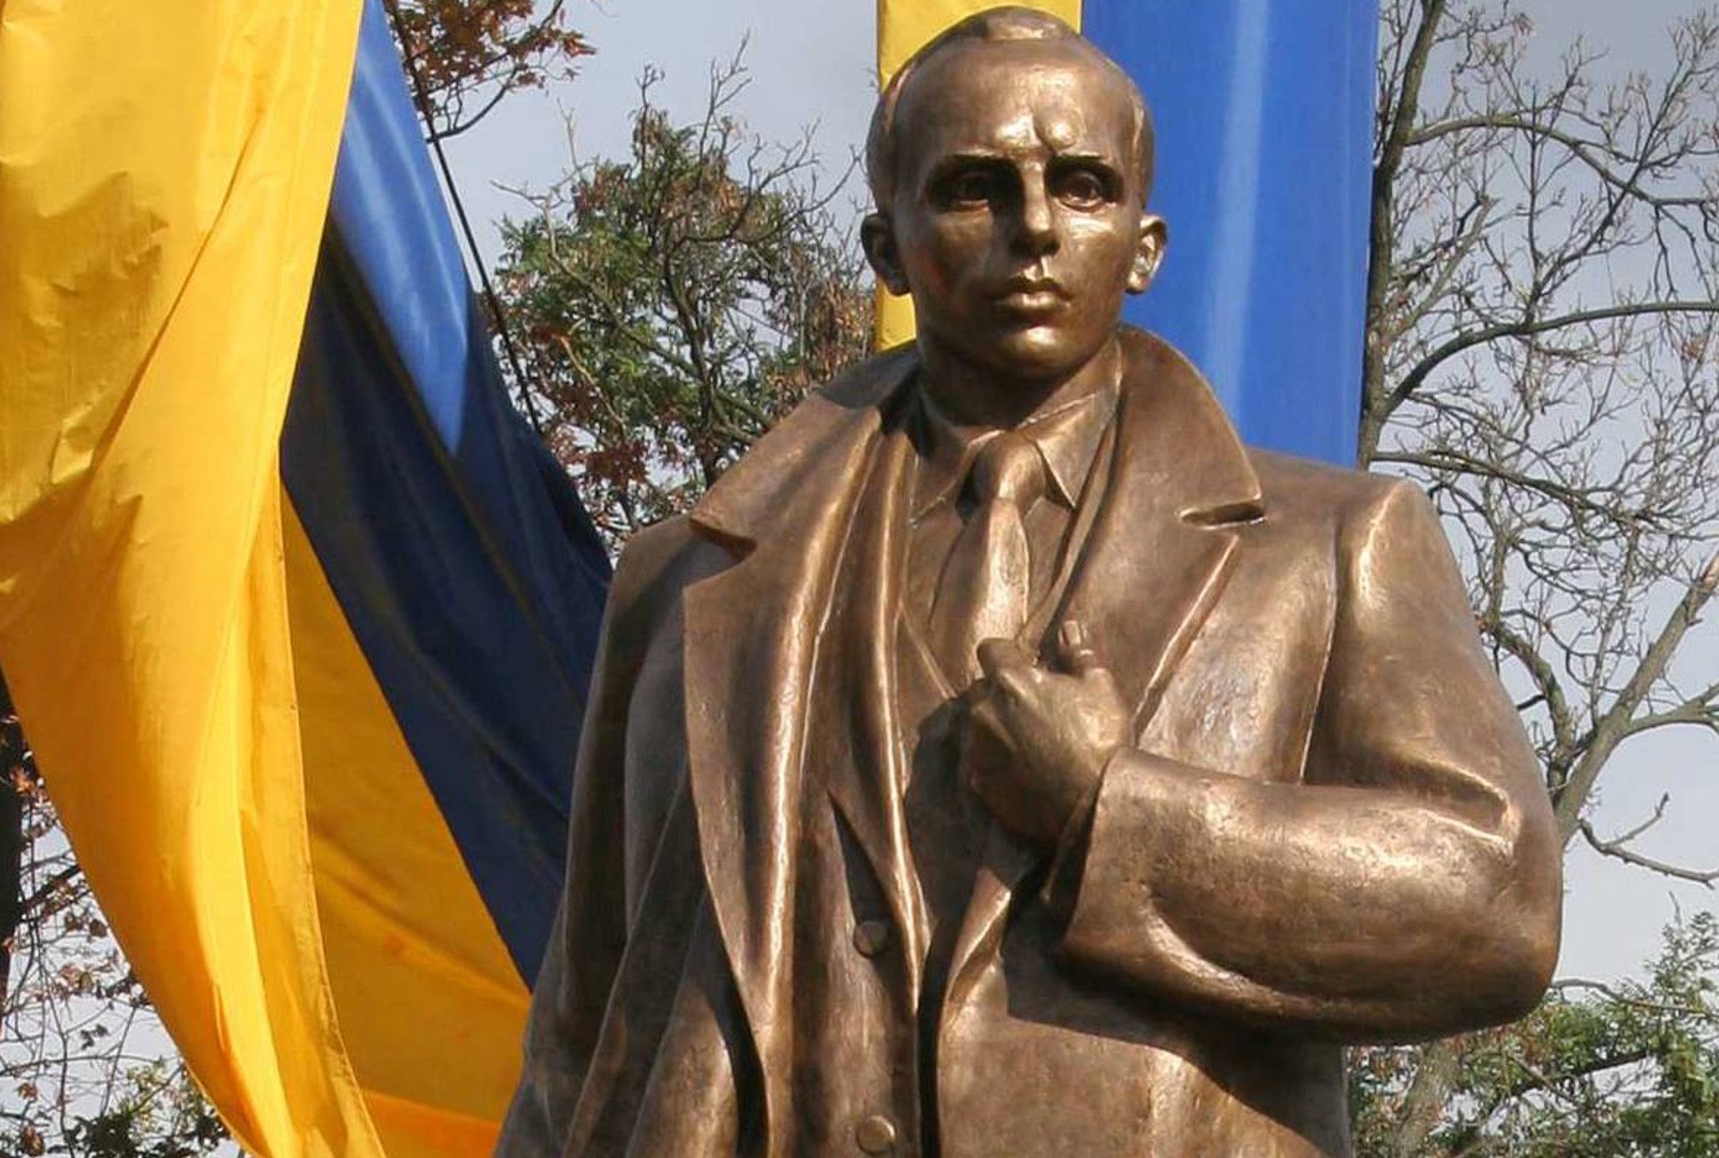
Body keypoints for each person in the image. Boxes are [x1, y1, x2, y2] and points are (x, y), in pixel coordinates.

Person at [498, 8, 1562, 1156]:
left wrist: (1111, 812)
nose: (1035, 229)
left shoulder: (1331, 546)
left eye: (1082, 185)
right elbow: (579, 1037)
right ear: (886, 249)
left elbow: (1493, 901)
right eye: (973, 189)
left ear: (1144, 245)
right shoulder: (693, 579)